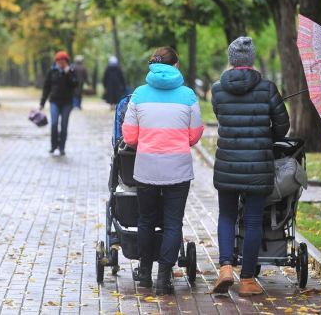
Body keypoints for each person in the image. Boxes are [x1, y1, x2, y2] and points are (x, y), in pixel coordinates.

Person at [210, 37, 290, 296]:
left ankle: (224, 268)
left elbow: (221, 116)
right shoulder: (267, 88)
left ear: (232, 60)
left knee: (226, 216)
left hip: (228, 163)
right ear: (252, 60)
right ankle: (247, 280)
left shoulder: (217, 89)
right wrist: (268, 134)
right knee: (253, 219)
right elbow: (283, 127)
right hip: (258, 165)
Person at [122, 47, 204, 295]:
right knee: (172, 223)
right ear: (176, 66)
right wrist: (178, 142)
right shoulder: (188, 96)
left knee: (145, 220)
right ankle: (164, 277)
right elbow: (195, 134)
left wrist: (146, 143)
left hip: (146, 166)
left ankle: (145, 272)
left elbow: (129, 135)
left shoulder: (139, 95)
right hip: (177, 169)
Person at [40, 51, 78, 156]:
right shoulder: (52, 71)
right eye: (59, 61)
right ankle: (53, 146)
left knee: (64, 125)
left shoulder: (71, 71)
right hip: (54, 101)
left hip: (67, 102)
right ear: (56, 61)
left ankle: (62, 147)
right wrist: (42, 102)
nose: (61, 63)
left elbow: (75, 84)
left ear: (66, 61)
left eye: (63, 61)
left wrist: (67, 73)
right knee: (54, 123)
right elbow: (46, 87)